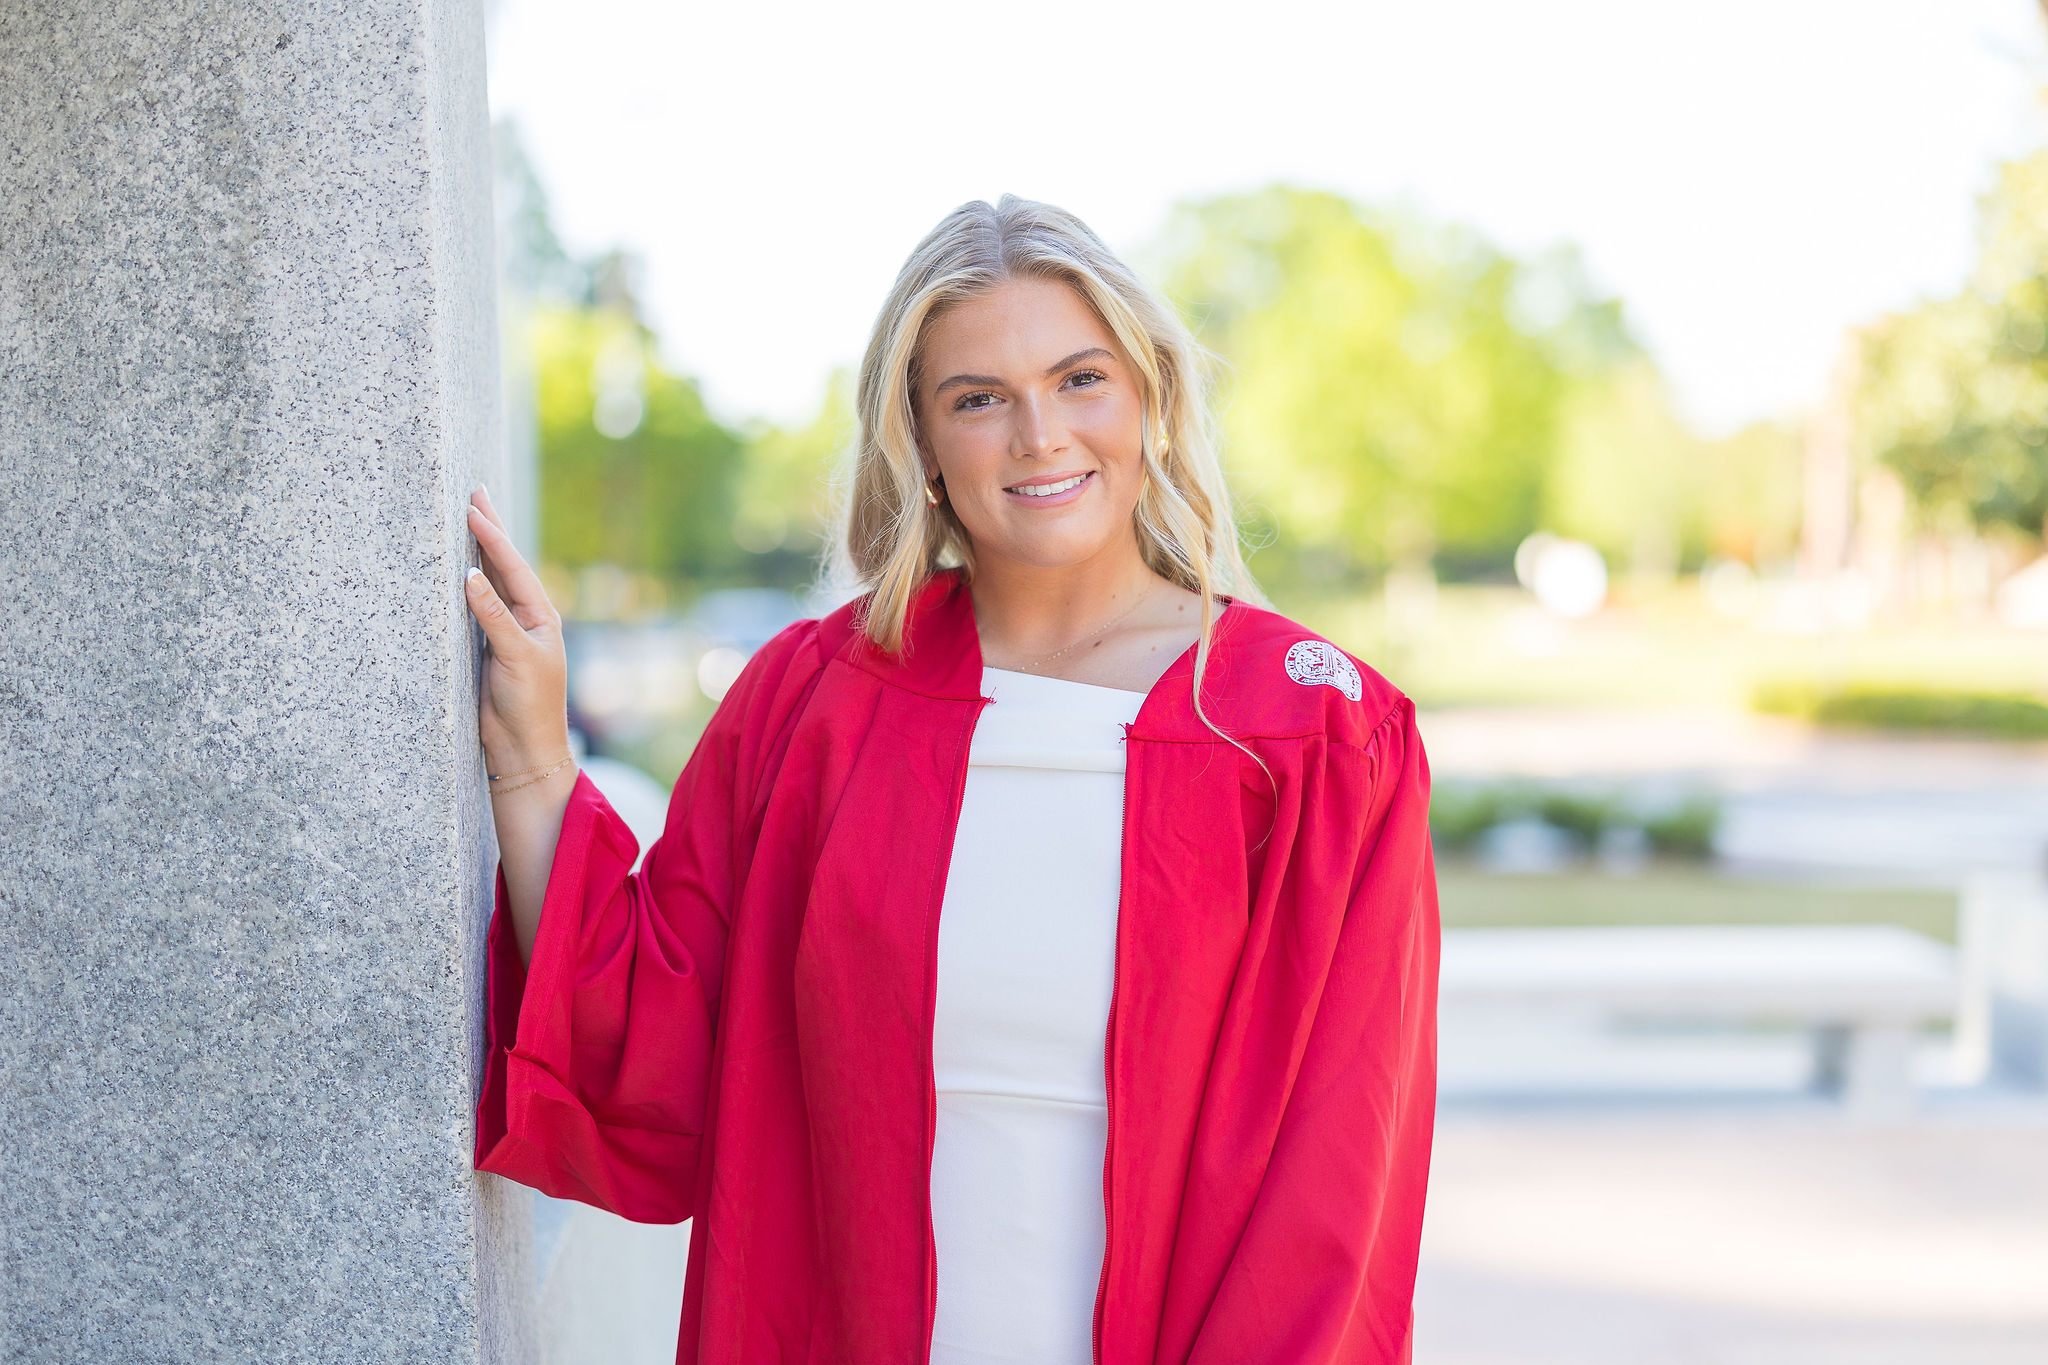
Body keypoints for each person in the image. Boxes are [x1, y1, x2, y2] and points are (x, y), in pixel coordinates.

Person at [461, 194, 1440, 1365]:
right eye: (977, 399)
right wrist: (528, 761)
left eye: (1081, 378)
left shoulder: (1310, 736)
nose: (1039, 436)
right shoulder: (813, 708)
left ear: (1151, 399)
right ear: (919, 446)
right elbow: (651, 1052)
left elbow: (1334, 1184)